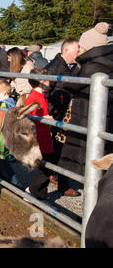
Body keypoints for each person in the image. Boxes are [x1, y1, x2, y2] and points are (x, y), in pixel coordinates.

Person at [59, 22, 113, 178]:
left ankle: (92, 194)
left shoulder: (91, 66)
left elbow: (71, 85)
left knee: (89, 157)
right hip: (106, 115)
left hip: (87, 113)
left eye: (81, 47)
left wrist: (76, 68)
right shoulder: (107, 62)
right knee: (101, 155)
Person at [44, 38, 81, 196]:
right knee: (63, 148)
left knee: (58, 148)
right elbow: (44, 91)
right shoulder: (53, 68)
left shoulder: (70, 67)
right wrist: (51, 113)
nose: (78, 54)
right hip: (58, 116)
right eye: (76, 51)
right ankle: (62, 184)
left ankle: (52, 174)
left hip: (65, 114)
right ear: (66, 50)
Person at [25, 68, 57, 201]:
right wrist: (45, 119)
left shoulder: (41, 96)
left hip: (44, 135)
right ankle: (31, 190)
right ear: (41, 81)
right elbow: (31, 118)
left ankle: (41, 195)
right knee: (47, 166)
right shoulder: (33, 98)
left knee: (46, 165)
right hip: (40, 137)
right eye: (48, 80)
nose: (50, 83)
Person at [0, 80, 24, 189]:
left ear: (4, 93)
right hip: (1, 138)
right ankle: (3, 182)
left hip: (2, 140)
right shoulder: (9, 104)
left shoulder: (5, 105)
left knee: (4, 165)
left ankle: (17, 188)